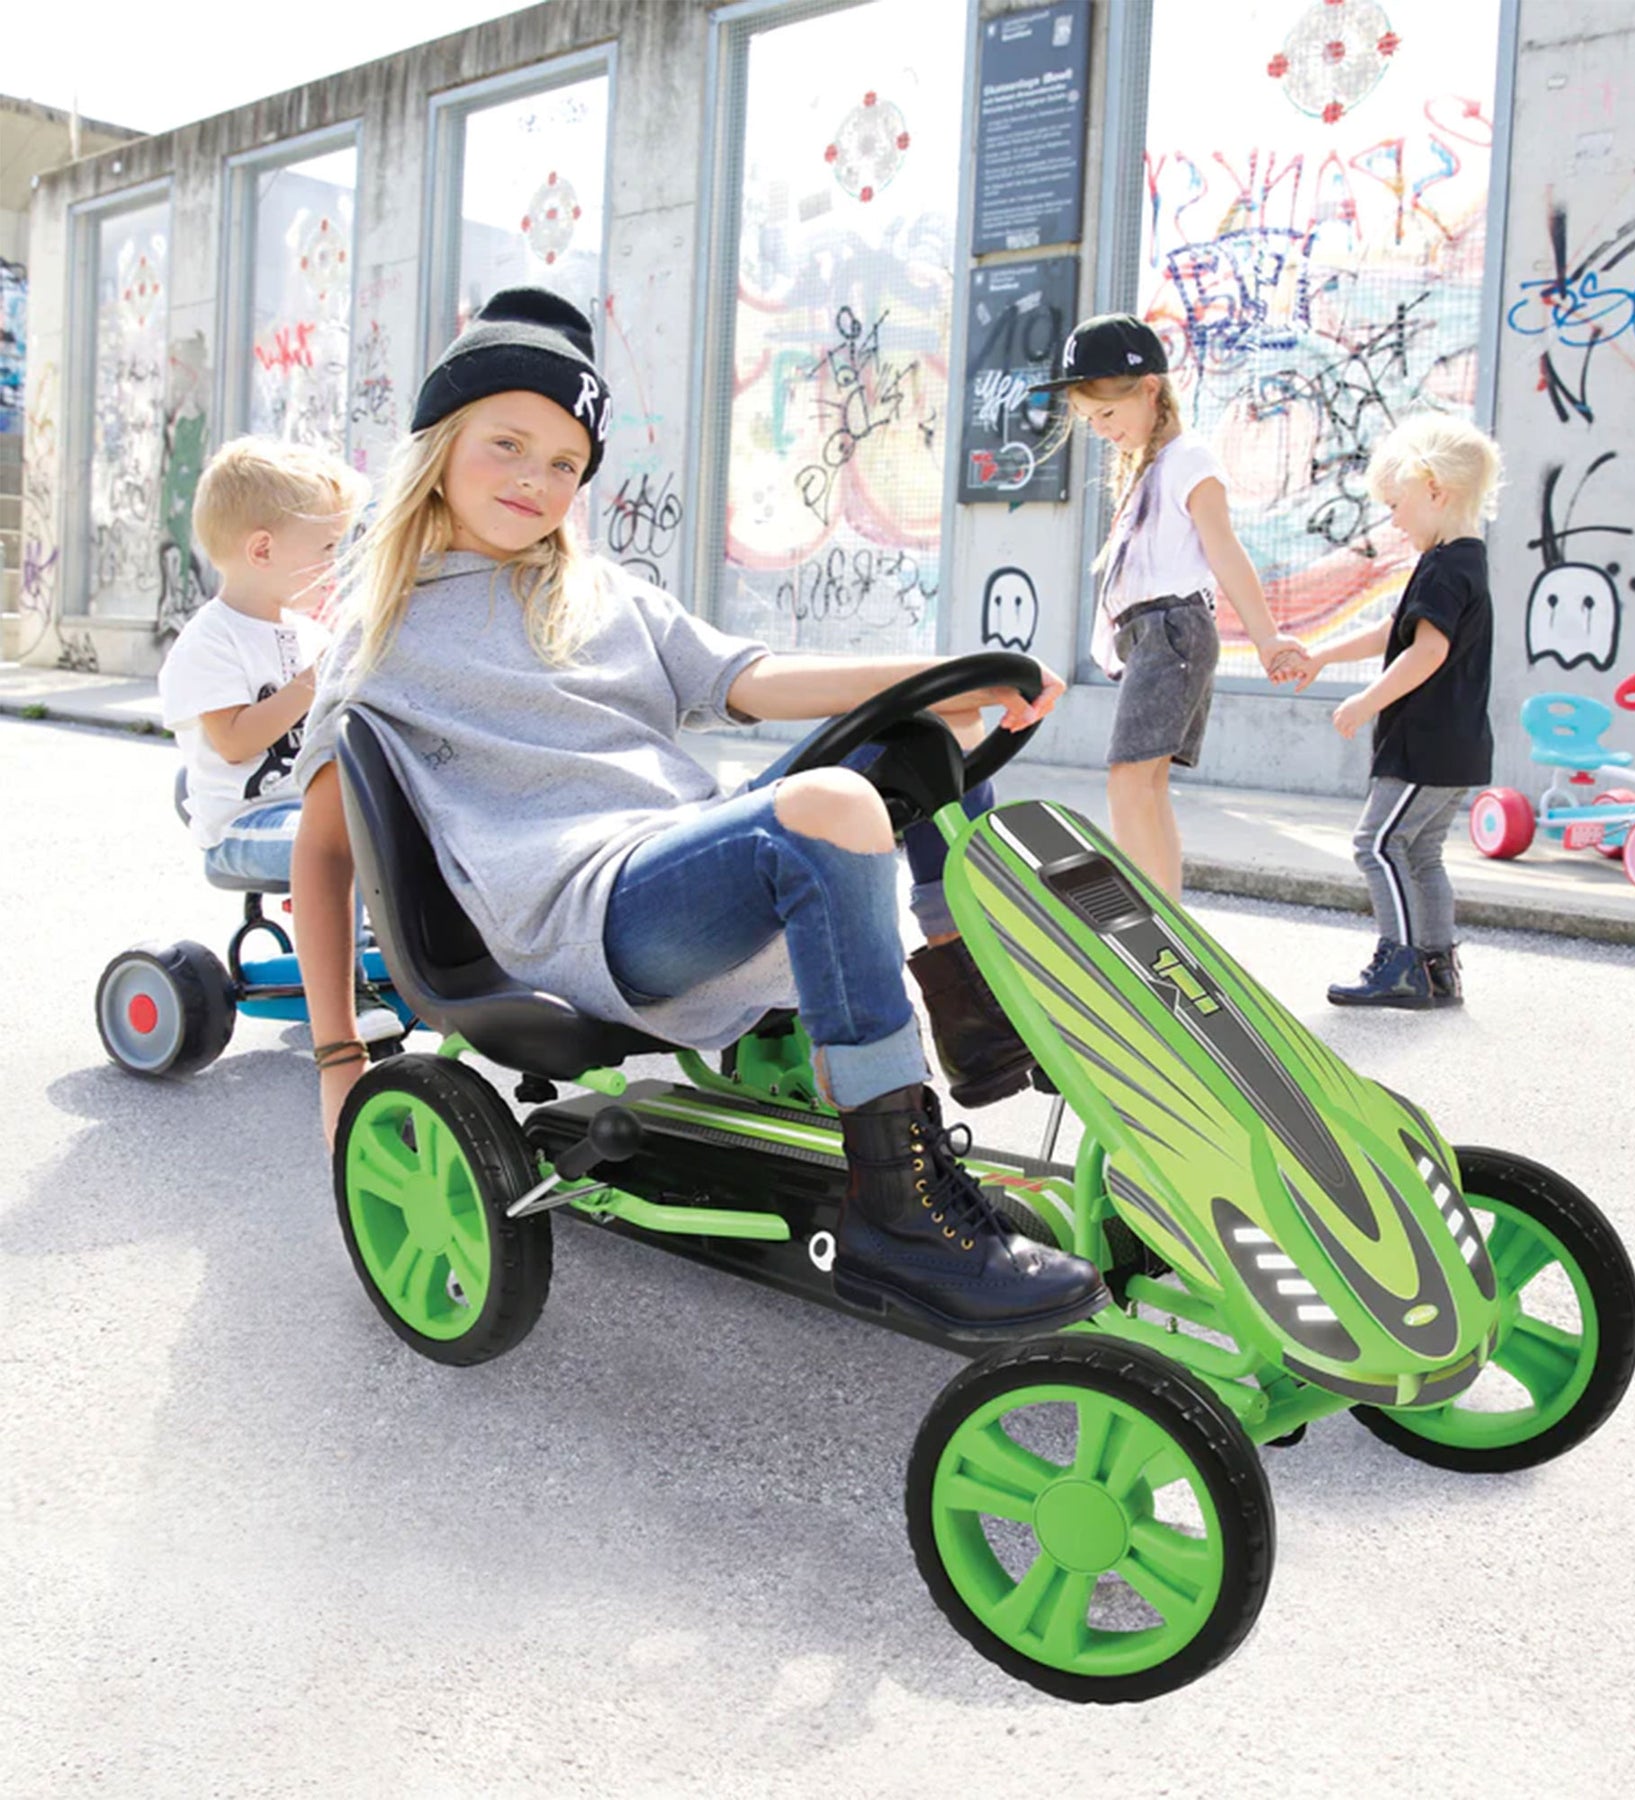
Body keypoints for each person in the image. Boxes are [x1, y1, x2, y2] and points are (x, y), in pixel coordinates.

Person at [291, 286, 1106, 1340]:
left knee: (927, 732)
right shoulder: (382, 638)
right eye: (508, 445)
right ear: (440, 446)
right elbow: (325, 855)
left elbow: (753, 679)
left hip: (684, 861)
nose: (537, 480)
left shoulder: (601, 595)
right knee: (825, 806)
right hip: (588, 914)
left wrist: (949, 673)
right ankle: (896, 1214)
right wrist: (340, 1057)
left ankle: (969, 1011)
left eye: (566, 464)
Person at [1035, 313, 1307, 897]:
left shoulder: (1189, 459)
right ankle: (1166, 912)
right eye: (1090, 420)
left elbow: (1225, 550)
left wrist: (1267, 638)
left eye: (1108, 414)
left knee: (1129, 782)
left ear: (1150, 389)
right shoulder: (1155, 465)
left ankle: (1149, 914)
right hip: (1157, 633)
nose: (1101, 430)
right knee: (1146, 784)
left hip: (1172, 628)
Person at [157, 436, 398, 1043]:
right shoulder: (210, 641)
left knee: (393, 823)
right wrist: (315, 681)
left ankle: (397, 951)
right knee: (342, 840)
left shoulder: (307, 633)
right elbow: (235, 742)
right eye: (325, 548)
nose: (334, 562)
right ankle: (345, 988)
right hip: (241, 827)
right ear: (262, 549)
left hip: (303, 811)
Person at [1289, 412, 1503, 1009]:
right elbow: (1395, 631)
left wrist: (1366, 701)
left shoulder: (1444, 567)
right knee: (1420, 852)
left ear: (1434, 489)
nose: (1394, 520)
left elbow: (1427, 651)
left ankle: (1401, 964)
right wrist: (1323, 655)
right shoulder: (1460, 560)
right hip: (1456, 743)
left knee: (1376, 844)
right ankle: (1436, 969)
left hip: (1424, 743)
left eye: (1395, 504)